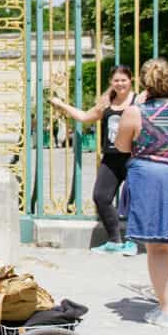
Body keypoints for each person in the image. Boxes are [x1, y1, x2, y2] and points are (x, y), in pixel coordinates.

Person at [114, 58, 168, 327]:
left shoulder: (135, 112)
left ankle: (167, 311)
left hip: (151, 180)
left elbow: (122, 146)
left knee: (158, 247)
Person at [49, 66, 137, 255]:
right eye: (116, 80)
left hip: (134, 158)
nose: (120, 83)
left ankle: (132, 241)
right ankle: (114, 240)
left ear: (131, 80)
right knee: (101, 196)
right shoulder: (106, 103)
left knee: (134, 200)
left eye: (123, 80)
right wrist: (61, 104)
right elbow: (84, 117)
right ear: (111, 83)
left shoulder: (139, 101)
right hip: (111, 158)